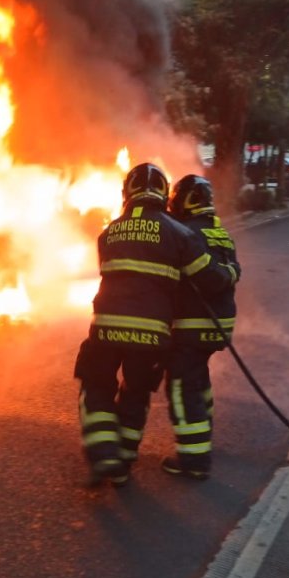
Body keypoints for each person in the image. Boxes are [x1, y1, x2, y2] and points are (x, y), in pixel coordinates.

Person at [73, 162, 232, 487]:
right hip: (153, 334)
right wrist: (229, 271)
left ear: (127, 193)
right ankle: (125, 459)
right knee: (136, 391)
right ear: (163, 192)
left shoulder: (109, 232)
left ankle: (106, 455)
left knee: (97, 384)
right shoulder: (180, 233)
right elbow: (209, 278)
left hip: (105, 328)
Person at [162, 174, 241, 480]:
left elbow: (207, 277)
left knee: (181, 386)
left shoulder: (187, 234)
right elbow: (232, 270)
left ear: (186, 200)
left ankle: (194, 459)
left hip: (192, 324)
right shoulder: (220, 232)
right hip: (218, 325)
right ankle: (203, 437)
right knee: (199, 380)